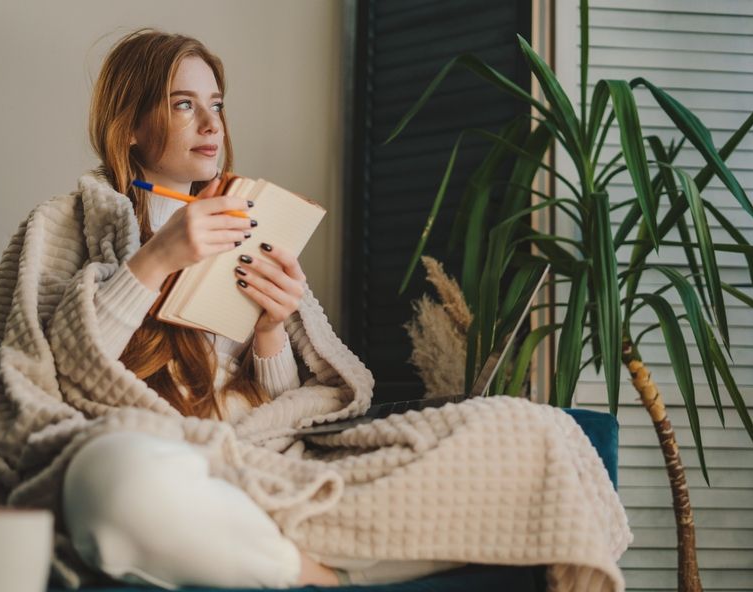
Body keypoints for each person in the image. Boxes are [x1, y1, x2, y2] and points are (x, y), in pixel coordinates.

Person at [56, 28, 463, 589]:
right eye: (184, 104)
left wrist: (271, 329)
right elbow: (62, 372)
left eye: (217, 104)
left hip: (264, 461)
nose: (212, 124)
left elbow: (278, 416)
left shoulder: (243, 226)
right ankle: (316, 574)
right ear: (129, 127)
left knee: (493, 437)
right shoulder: (72, 229)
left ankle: (276, 552)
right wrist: (156, 260)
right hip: (169, 462)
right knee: (108, 478)